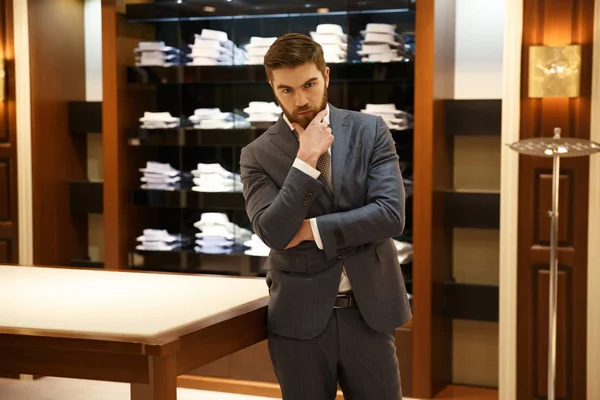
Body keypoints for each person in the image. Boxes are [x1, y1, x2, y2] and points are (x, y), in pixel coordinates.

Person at [239, 33, 412, 400]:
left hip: (369, 312)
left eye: (309, 85)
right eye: (286, 90)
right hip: (298, 318)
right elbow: (273, 232)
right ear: (272, 87)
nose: (300, 100)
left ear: (326, 76)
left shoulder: (370, 131)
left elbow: (391, 215)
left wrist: (313, 229)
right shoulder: (256, 155)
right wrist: (305, 162)